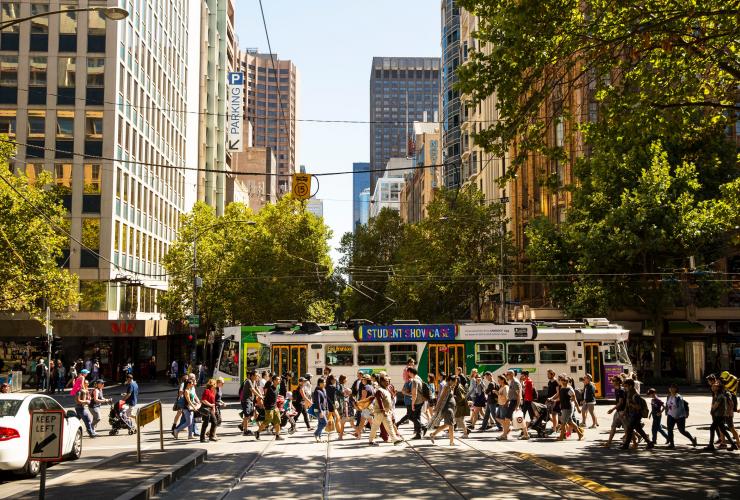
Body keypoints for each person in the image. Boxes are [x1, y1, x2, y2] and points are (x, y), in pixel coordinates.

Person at [368, 373, 402, 446]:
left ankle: (371, 440)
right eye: (386, 381)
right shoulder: (379, 390)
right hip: (381, 412)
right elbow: (379, 401)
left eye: (388, 381)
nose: (388, 382)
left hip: (385, 412)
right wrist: (383, 410)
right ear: (381, 382)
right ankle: (394, 439)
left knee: (379, 427)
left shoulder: (385, 389)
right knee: (384, 426)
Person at [704, 378, 736, 452]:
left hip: (719, 415)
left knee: (712, 428)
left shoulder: (720, 395)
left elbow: (716, 405)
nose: (712, 387)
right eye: (712, 386)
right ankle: (733, 444)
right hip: (719, 415)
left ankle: (711, 445)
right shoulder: (717, 394)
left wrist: (712, 411)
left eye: (714, 386)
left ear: (718, 388)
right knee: (723, 430)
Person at [549, 374, 583, 441]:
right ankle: (580, 434)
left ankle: (561, 437)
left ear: (565, 382)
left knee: (563, 423)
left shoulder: (568, 389)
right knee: (570, 422)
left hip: (567, 408)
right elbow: (560, 397)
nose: (560, 381)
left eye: (561, 380)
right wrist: (553, 399)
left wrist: (576, 405)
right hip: (564, 407)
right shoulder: (562, 388)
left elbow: (574, 397)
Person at [621, 378, 652, 450]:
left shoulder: (635, 395)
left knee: (629, 429)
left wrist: (631, 405)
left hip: (636, 414)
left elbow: (638, 407)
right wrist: (625, 412)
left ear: (631, 386)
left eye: (626, 386)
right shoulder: (629, 393)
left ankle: (626, 445)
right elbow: (627, 404)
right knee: (639, 429)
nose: (625, 388)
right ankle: (649, 443)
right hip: (632, 414)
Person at [665, 383, 697, 449]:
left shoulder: (678, 397)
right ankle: (672, 444)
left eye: (673, 388)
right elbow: (668, 405)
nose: (671, 389)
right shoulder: (669, 396)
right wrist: (667, 412)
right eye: (670, 387)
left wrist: (678, 415)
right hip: (671, 415)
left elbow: (681, 407)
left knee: (682, 430)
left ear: (676, 389)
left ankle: (692, 439)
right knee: (669, 429)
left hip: (679, 416)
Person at [428, 375, 457, 446]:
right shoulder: (446, 386)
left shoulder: (449, 387)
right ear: (450, 380)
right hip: (447, 409)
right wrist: (436, 407)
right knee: (451, 425)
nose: (455, 383)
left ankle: (433, 434)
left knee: (448, 424)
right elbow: (441, 397)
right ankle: (451, 442)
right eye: (454, 382)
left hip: (450, 408)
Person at [255, 375, 282, 440]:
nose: (279, 381)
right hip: (269, 408)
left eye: (279, 379)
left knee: (277, 421)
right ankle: (257, 432)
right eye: (278, 379)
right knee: (268, 421)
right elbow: (266, 398)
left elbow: (275, 397)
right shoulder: (270, 389)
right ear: (274, 381)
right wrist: (264, 406)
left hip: (275, 407)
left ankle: (277, 435)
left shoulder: (277, 388)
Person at [603, 376, 627, 448]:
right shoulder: (616, 390)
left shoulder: (621, 390)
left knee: (626, 428)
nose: (612, 382)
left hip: (623, 412)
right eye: (612, 380)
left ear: (618, 382)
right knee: (613, 426)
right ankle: (608, 442)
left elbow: (621, 402)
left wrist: (612, 409)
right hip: (618, 411)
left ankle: (633, 442)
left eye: (613, 380)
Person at [500, 370, 521, 441]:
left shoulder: (515, 382)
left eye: (507, 375)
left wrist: (517, 405)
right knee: (508, 418)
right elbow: (511, 394)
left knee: (507, 418)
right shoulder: (512, 381)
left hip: (514, 402)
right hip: (512, 401)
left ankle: (504, 434)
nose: (506, 376)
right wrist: (507, 401)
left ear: (511, 374)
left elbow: (518, 395)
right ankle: (526, 434)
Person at [407, 367, 425, 439]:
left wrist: (412, 404)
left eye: (408, 372)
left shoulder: (414, 380)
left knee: (411, 416)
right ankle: (419, 434)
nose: (408, 374)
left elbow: (414, 393)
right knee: (417, 417)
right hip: (421, 400)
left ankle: (424, 427)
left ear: (411, 372)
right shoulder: (419, 378)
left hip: (417, 401)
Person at [240, 371, 260, 436]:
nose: (257, 377)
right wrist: (260, 396)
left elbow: (257, 388)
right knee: (247, 415)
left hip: (250, 400)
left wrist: (261, 395)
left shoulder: (254, 381)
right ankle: (245, 431)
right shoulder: (248, 381)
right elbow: (253, 390)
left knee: (250, 415)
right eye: (256, 375)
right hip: (246, 400)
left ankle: (241, 425)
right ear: (252, 376)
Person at [325, 374, 344, 440]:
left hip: (330, 405)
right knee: (337, 418)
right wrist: (338, 382)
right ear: (331, 380)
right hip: (331, 405)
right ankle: (339, 431)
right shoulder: (330, 387)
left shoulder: (327, 386)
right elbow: (338, 391)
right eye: (334, 379)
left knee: (332, 418)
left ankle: (339, 431)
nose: (335, 381)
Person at [313, 377, 329, 442]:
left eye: (325, 382)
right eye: (324, 382)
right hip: (318, 410)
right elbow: (318, 402)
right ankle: (316, 433)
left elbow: (326, 400)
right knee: (325, 423)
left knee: (320, 423)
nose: (325, 383)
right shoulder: (317, 391)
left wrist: (327, 409)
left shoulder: (324, 390)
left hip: (324, 409)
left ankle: (319, 437)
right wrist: (320, 412)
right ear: (320, 383)